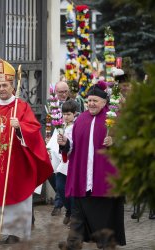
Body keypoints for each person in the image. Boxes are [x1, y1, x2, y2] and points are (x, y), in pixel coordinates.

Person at [0, 59, 53, 244]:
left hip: (15, 161)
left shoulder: (21, 107)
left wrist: (19, 126)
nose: (2, 88)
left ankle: (15, 232)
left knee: (16, 196)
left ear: (12, 85)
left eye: (5, 85)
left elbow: (33, 130)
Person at [58, 82, 126, 249]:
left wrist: (115, 141)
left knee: (102, 219)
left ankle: (105, 244)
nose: (92, 104)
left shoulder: (112, 120)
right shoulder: (80, 119)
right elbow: (73, 146)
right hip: (82, 177)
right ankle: (73, 243)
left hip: (102, 178)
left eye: (95, 100)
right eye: (89, 100)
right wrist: (65, 143)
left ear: (104, 102)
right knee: (78, 216)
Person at [47, 99, 78, 225]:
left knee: (71, 190)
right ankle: (69, 210)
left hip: (72, 162)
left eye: (68, 114)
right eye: (64, 114)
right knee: (60, 187)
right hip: (62, 162)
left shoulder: (76, 126)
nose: (66, 117)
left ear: (75, 114)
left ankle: (73, 213)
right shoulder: (61, 126)